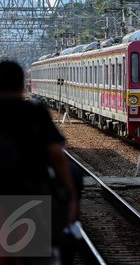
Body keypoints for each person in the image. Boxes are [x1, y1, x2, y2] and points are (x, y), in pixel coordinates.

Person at [0, 60, 78, 263]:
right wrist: (71, 199)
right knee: (36, 254)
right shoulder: (34, 111)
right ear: (22, 84)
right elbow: (57, 156)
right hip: (29, 195)